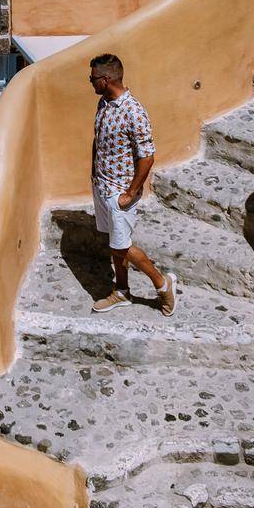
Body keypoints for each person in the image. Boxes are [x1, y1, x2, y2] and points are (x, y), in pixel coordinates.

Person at [88, 52, 176, 315]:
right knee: (115, 244)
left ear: (105, 79)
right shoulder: (103, 103)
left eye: (92, 78)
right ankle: (122, 292)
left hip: (120, 191)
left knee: (122, 246)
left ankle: (163, 285)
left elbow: (147, 156)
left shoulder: (133, 111)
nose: (90, 82)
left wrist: (131, 192)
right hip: (102, 186)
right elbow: (99, 138)